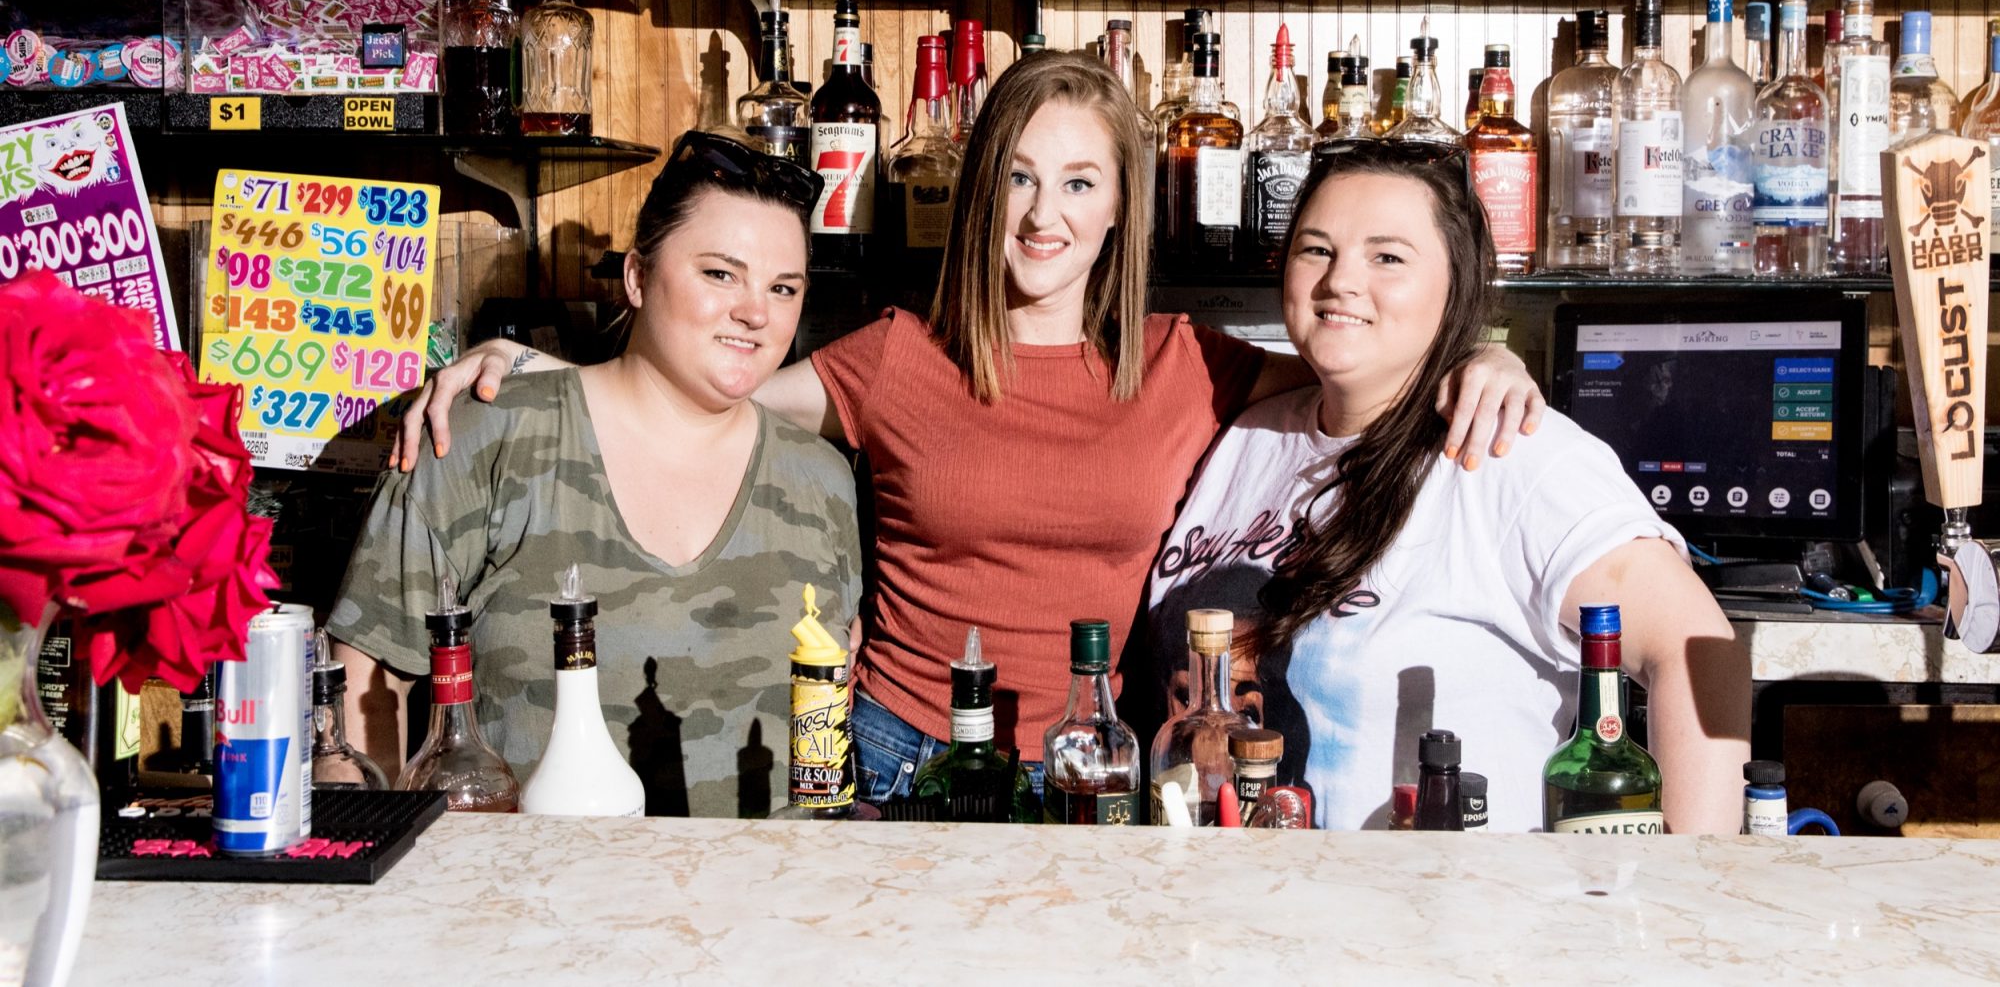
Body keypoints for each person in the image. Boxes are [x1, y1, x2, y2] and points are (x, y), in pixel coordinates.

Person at [398, 53, 1546, 805]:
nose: (1046, 216)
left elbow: (1357, 358)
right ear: (982, 186)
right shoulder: (897, 353)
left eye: (1082, 184)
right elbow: (706, 380)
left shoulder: (1187, 362)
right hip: (895, 755)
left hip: (1100, 766)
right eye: (1020, 180)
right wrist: (544, 365)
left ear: (1120, 207)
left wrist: (1478, 353)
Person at [1149, 141, 1750, 833]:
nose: (1341, 280)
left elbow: (1698, 648)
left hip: (1437, 929)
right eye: (1317, 249)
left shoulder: (1505, 449)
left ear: (1455, 284)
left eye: (1388, 257)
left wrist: (1694, 880)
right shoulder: (1249, 436)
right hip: (1223, 917)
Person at [329, 132, 862, 819]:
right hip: (525, 911)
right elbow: (364, 686)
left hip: (761, 911)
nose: (756, 311)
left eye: (782, 287)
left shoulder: (820, 481)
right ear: (637, 276)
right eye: (720, 274)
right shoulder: (489, 436)